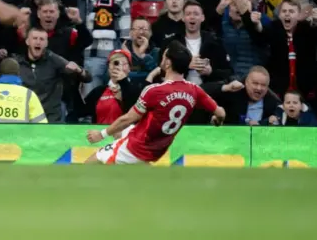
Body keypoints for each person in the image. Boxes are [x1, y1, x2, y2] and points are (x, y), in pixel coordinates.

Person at [85, 40, 226, 165]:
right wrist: (217, 120)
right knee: (120, 133)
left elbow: (128, 118)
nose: (162, 58)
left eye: (164, 55)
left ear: (168, 62)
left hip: (136, 147)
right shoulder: (195, 90)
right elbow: (220, 112)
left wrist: (101, 134)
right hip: (157, 149)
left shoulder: (154, 90)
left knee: (92, 162)